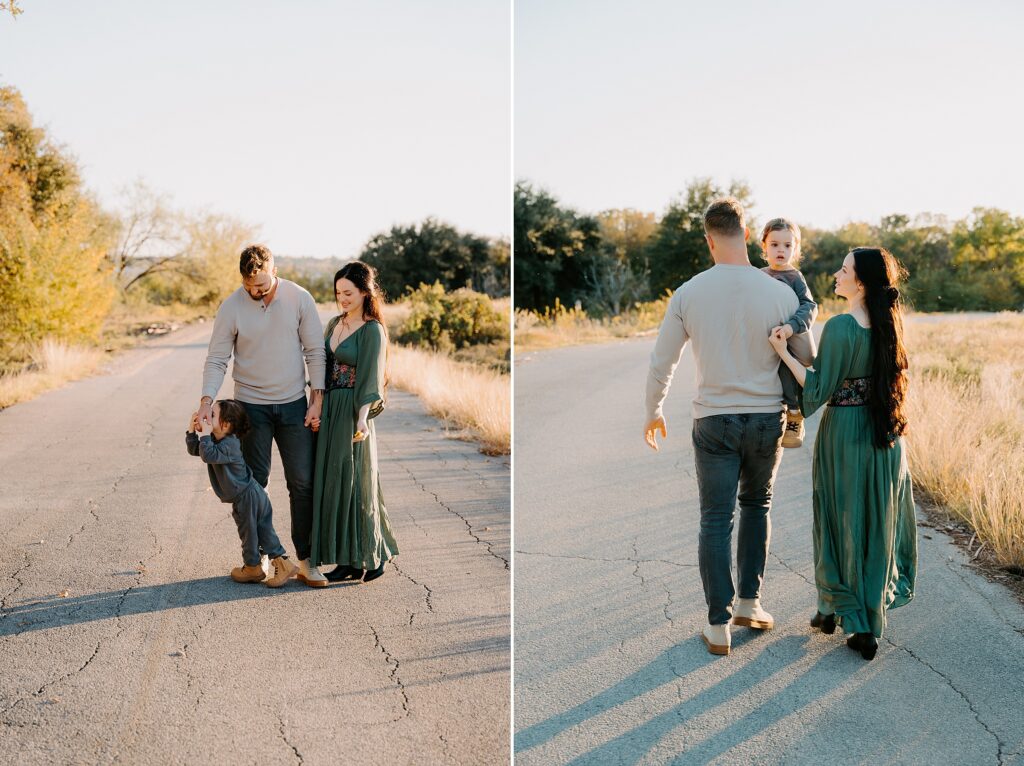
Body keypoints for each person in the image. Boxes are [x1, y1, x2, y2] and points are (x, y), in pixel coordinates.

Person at [644, 197, 798, 657]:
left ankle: (717, 626)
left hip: (713, 420)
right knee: (757, 505)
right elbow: (804, 358)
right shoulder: (781, 293)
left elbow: (662, 361)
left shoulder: (689, 292)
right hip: (766, 418)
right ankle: (749, 603)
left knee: (715, 518)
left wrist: (653, 409)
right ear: (747, 235)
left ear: (708, 240)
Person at [769, 246, 916, 661]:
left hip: (846, 434)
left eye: (845, 269)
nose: (836, 274)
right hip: (886, 437)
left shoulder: (840, 327)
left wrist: (783, 352)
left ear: (861, 282)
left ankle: (846, 613)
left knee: (838, 519)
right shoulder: (891, 326)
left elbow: (816, 389)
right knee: (875, 523)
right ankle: (847, 613)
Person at [198, 244, 329, 588]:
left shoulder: (299, 298)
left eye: (262, 284)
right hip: (250, 408)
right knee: (252, 485)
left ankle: (307, 561)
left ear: (275, 271)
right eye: (249, 286)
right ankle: (259, 561)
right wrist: (205, 401)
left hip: (293, 405)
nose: (256, 292)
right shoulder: (231, 306)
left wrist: (317, 399)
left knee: (302, 482)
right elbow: (216, 359)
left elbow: (315, 351)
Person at [310, 261, 399, 584]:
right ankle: (346, 559)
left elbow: (371, 379)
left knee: (357, 482)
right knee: (333, 482)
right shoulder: (334, 322)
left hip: (353, 412)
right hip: (331, 408)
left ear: (364, 292)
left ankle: (374, 555)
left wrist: (361, 419)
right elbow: (320, 364)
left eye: (348, 293)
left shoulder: (373, 330)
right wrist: (316, 404)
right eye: (338, 293)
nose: (342, 299)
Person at [186, 399, 297, 587]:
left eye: (212, 415)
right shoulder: (215, 440)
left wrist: (204, 435)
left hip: (247, 496)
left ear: (226, 424)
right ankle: (274, 564)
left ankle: (254, 566)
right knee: (261, 531)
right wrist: (191, 431)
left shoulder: (230, 444)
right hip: (250, 494)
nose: (207, 417)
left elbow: (208, 455)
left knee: (249, 533)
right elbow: (197, 450)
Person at [759, 218, 818, 447]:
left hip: (787, 338)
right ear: (764, 246)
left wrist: (791, 325)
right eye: (774, 244)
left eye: (787, 245)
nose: (780, 250)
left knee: (786, 368)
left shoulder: (795, 277)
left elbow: (809, 306)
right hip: (764, 338)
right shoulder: (759, 275)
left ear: (795, 249)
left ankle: (795, 413)